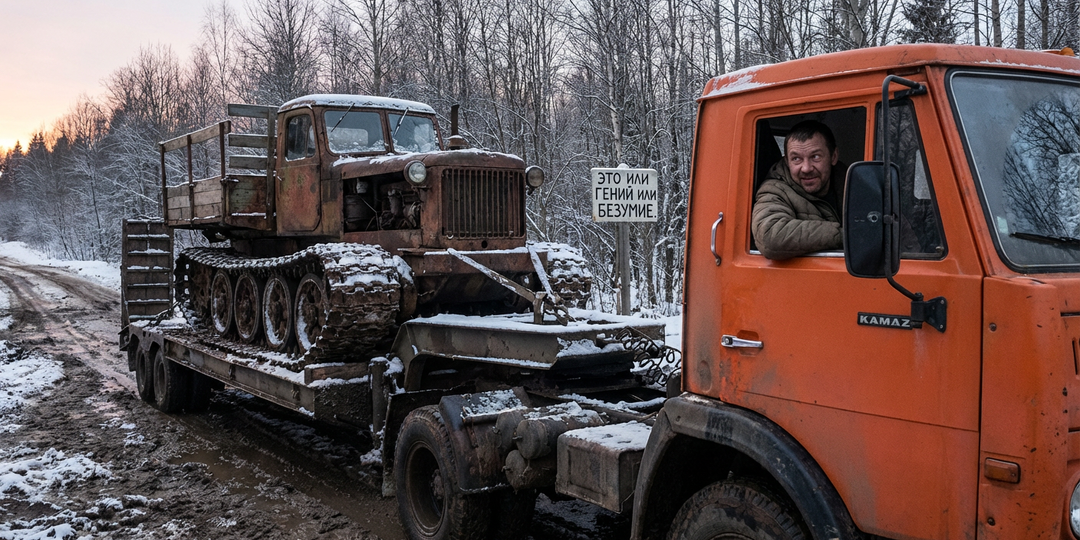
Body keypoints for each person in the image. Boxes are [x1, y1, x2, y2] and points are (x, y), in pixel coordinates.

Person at [751, 120, 845, 260]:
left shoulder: (853, 181)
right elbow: (770, 235)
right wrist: (844, 235)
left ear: (833, 156)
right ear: (787, 162)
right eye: (796, 159)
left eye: (815, 157)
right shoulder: (774, 190)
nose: (806, 168)